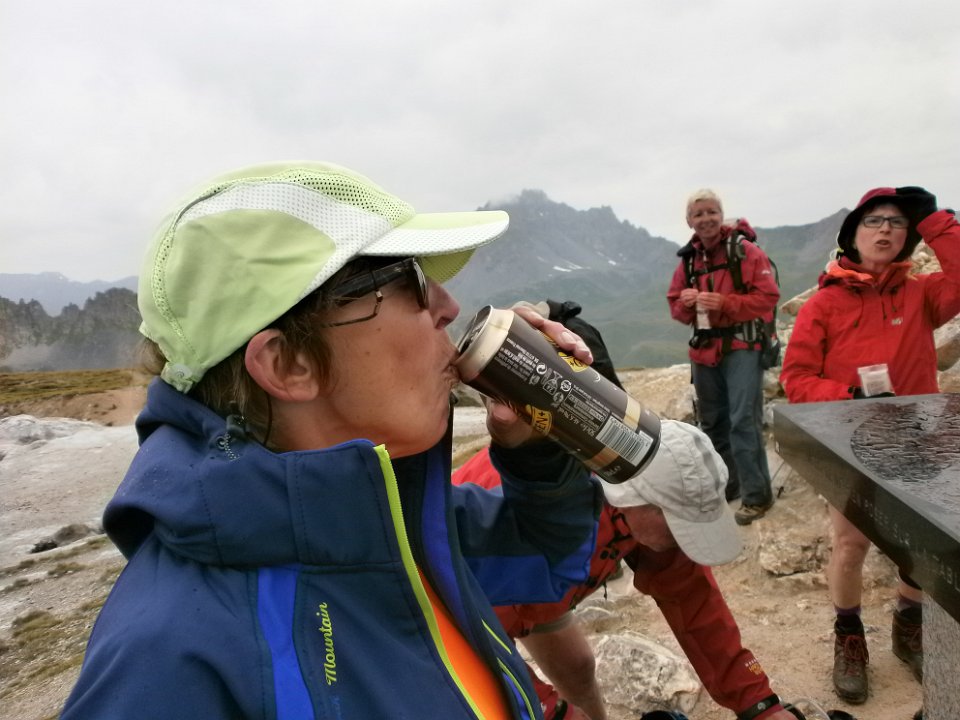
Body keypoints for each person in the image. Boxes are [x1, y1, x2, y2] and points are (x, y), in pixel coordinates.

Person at [60, 161, 604, 720]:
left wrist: (533, 446)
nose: (448, 307)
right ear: (290, 364)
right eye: (411, 282)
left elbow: (546, 556)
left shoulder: (386, 520)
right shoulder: (164, 664)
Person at [457, 420, 794, 720]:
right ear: (638, 500)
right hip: (462, 592)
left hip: (540, 586)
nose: (683, 539)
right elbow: (474, 642)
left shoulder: (643, 496)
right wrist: (550, 710)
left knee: (577, 668)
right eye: (679, 525)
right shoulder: (552, 512)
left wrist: (759, 705)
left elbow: (694, 604)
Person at [780, 186, 960, 705]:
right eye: (874, 221)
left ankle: (908, 623)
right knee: (850, 545)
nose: (885, 229)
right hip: (852, 441)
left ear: (908, 237)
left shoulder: (922, 294)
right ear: (852, 235)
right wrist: (850, 396)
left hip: (919, 435)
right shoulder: (824, 304)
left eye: (898, 222)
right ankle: (849, 637)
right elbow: (797, 378)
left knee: (922, 544)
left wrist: (935, 221)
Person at [667, 189, 780, 526]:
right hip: (705, 349)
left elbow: (768, 296)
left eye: (711, 212)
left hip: (743, 346)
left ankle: (757, 496)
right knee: (714, 422)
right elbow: (674, 302)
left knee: (742, 420)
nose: (706, 219)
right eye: (698, 214)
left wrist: (725, 303)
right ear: (689, 220)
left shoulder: (744, 251)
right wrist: (686, 304)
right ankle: (730, 486)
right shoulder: (689, 260)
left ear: (721, 214)